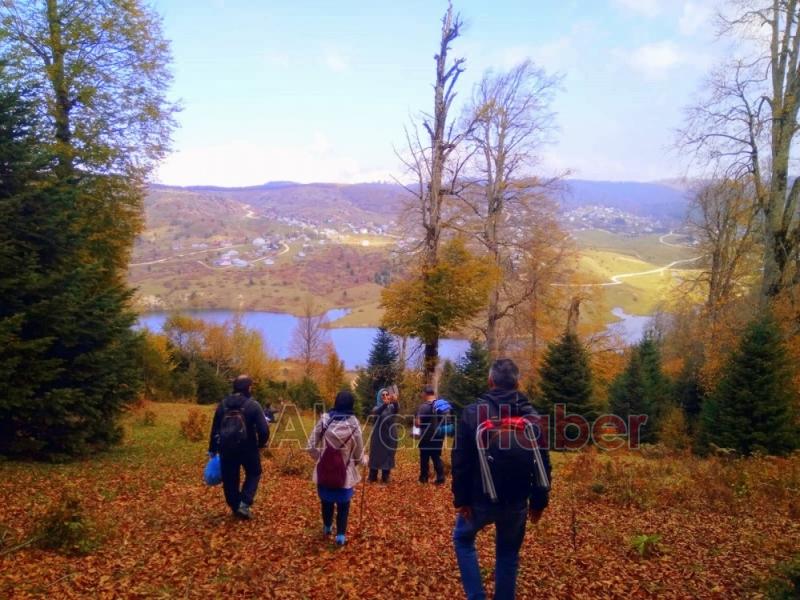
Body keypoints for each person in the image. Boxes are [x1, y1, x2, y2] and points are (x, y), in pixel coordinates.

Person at [451, 358, 552, 600]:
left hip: (479, 499)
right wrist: (539, 502)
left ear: (490, 381)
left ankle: (476, 596)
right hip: (517, 500)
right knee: (508, 554)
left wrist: (461, 500)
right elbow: (543, 463)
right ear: (518, 383)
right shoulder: (532, 418)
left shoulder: (473, 413)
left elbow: (460, 460)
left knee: (463, 538)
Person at [307, 390, 366, 546]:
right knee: (343, 505)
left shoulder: (325, 421)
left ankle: (327, 527)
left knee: (326, 501)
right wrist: (355, 462)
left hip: (324, 471)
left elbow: (310, 445)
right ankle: (340, 536)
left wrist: (320, 459)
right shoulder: (354, 425)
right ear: (351, 405)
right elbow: (359, 454)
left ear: (336, 402)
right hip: (345, 474)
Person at [208, 375, 269, 520]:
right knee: (254, 472)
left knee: (230, 478)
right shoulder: (253, 405)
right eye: (251, 386)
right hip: (248, 448)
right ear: (248, 388)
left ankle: (235, 505)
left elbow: (215, 428)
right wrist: (261, 444)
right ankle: (244, 502)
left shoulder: (222, 405)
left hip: (226, 448)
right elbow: (264, 430)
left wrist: (212, 449)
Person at [367, 385, 399, 483]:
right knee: (376, 456)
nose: (385, 396)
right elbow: (377, 412)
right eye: (383, 395)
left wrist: (395, 401)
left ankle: (385, 476)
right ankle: (372, 476)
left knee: (388, 456)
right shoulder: (376, 407)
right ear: (379, 397)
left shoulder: (392, 407)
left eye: (387, 394)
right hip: (378, 436)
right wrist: (384, 405)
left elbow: (397, 409)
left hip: (390, 436)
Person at [416, 384, 445, 484]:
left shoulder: (423, 407)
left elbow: (418, 423)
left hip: (426, 437)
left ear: (425, 394)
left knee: (424, 458)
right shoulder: (441, 406)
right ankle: (440, 478)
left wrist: (416, 428)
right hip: (438, 437)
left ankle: (423, 479)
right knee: (436, 457)